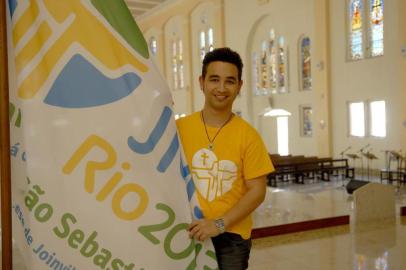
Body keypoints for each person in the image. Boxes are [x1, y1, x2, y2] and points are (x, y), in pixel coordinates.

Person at [176, 47, 274, 270]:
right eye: (214, 79)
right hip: (185, 228)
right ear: (202, 82)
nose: (221, 88)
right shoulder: (179, 128)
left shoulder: (248, 135)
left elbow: (257, 190)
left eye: (230, 81)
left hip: (231, 236)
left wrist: (219, 224)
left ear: (239, 86)